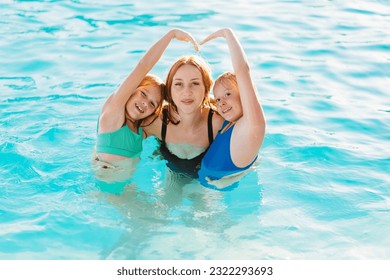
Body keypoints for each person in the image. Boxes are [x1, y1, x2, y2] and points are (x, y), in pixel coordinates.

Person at [92, 29, 199, 184]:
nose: (145, 103)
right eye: (143, 94)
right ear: (132, 90)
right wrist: (171, 35)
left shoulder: (141, 129)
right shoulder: (112, 114)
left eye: (152, 104)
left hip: (125, 187)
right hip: (109, 185)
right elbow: (143, 66)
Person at [198, 28, 266, 190]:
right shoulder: (229, 123)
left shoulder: (252, 126)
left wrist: (227, 34)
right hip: (201, 187)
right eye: (219, 98)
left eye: (228, 94)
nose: (221, 102)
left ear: (244, 94)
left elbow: (243, 71)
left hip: (214, 200)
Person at [144, 55, 224, 178]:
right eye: (178, 84)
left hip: (205, 180)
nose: (187, 91)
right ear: (169, 89)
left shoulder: (217, 123)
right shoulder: (157, 122)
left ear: (206, 88)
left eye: (195, 83)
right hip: (172, 176)